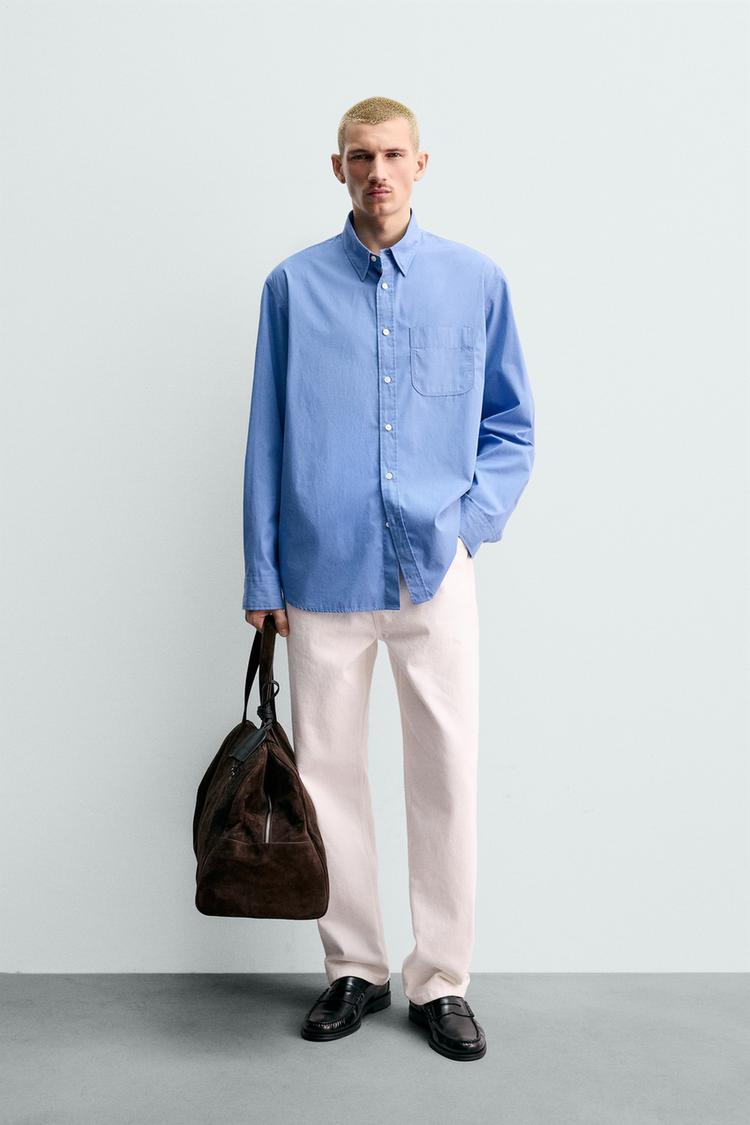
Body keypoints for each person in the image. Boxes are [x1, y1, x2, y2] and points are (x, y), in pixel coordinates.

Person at [241, 96, 535, 1062]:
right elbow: (265, 438)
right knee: (328, 778)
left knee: (445, 773)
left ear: (421, 164)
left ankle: (441, 979)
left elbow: (511, 426)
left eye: (394, 154)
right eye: (361, 156)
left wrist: (467, 528)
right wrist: (262, 571)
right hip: (320, 572)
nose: (378, 171)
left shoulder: (475, 281)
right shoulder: (292, 287)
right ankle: (354, 967)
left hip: (432, 575)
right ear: (338, 168)